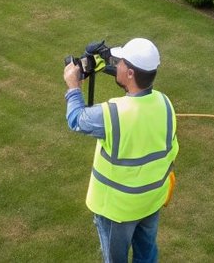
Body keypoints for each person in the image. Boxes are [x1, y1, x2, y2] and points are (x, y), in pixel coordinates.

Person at [63, 37, 178, 263]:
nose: (118, 65)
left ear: (131, 73)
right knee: (146, 256)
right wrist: (107, 61)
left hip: (118, 211)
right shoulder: (165, 103)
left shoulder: (113, 113)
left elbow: (77, 119)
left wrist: (73, 87)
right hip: (151, 200)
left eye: (121, 62)